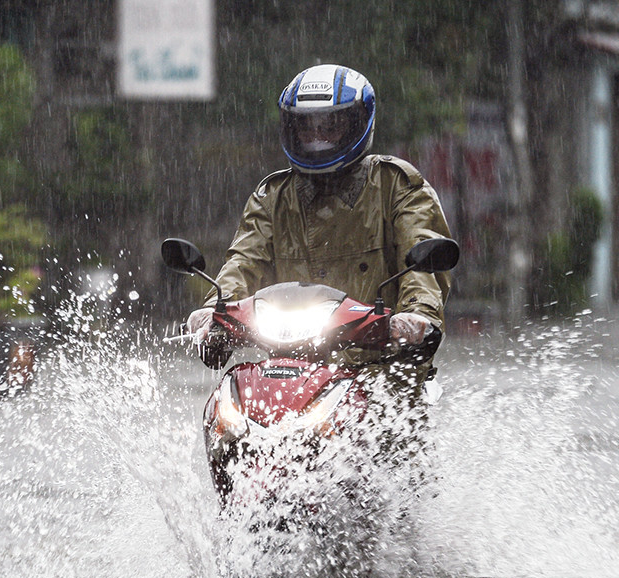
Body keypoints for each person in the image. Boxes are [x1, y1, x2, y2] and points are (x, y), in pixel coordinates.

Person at [187, 64, 453, 393]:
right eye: (307, 128)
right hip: (289, 368)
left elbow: (423, 267)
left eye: (330, 126)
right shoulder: (272, 197)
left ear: (357, 123)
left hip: (381, 370)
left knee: (391, 425)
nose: (317, 138)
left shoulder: (397, 185)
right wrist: (214, 311)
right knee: (231, 406)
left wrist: (416, 318)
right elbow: (243, 262)